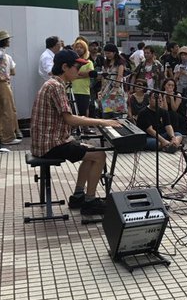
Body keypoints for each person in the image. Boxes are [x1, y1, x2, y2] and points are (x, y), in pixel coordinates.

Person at [29, 47, 122, 222]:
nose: (79, 71)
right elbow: (70, 119)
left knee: (90, 151)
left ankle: (79, 196)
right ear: (65, 67)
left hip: (48, 142)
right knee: (99, 156)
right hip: (50, 145)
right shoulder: (56, 86)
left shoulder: (53, 84)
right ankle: (90, 201)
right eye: (76, 67)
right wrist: (102, 122)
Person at [98, 43, 126, 117]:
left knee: (117, 114)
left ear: (114, 52)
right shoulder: (106, 63)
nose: (107, 55)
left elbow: (120, 76)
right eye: (106, 53)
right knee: (106, 114)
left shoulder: (120, 63)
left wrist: (115, 89)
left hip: (116, 90)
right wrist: (101, 89)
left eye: (109, 53)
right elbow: (103, 77)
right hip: (106, 90)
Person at [69, 37, 94, 117]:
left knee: (83, 113)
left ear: (85, 49)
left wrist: (75, 75)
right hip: (71, 91)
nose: (79, 49)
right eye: (77, 47)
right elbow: (69, 74)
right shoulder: (70, 62)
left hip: (83, 91)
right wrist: (81, 74)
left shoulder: (89, 62)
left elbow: (89, 73)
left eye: (81, 47)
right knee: (71, 113)